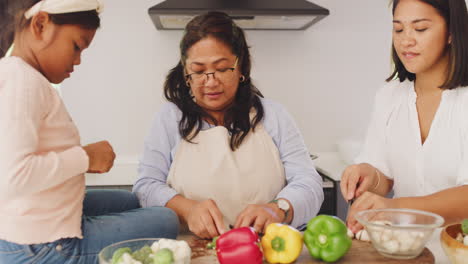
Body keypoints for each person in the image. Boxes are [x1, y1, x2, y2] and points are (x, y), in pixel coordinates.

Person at [0, 0, 179, 263]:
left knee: (131, 200)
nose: (78, 60)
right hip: (42, 245)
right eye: (76, 46)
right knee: (166, 220)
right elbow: (11, 176)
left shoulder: (21, 76)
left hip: (35, 221)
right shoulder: (21, 83)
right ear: (40, 25)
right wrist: (85, 158)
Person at [133, 11, 324, 239]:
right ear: (186, 73)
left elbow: (309, 183)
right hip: (193, 251)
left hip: (268, 249)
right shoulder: (169, 119)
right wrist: (188, 209)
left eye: (222, 68)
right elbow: (146, 186)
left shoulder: (274, 116)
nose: (211, 81)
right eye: (199, 71)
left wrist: (277, 208)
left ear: (240, 66)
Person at [341, 0, 468, 261]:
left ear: (452, 32)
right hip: (400, 252)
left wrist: (395, 207)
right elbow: (382, 176)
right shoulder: (389, 96)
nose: (406, 41)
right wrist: (366, 175)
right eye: (398, 30)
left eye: (420, 29)